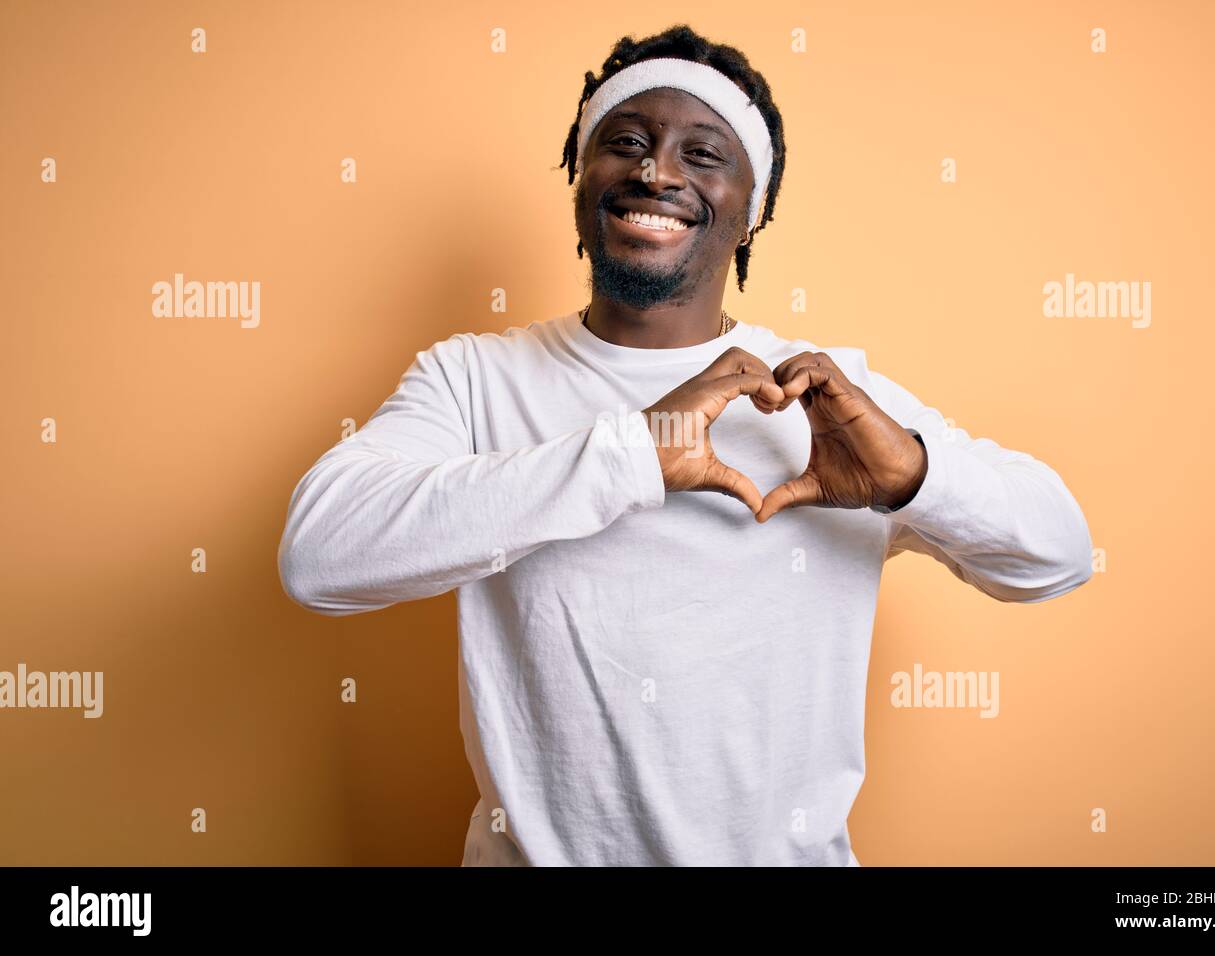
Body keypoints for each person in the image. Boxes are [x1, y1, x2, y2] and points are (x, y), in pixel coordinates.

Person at [276, 24, 1093, 866]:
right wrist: (635, 450)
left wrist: (913, 477)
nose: (655, 171)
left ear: (755, 208)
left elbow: (1060, 554)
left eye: (703, 154)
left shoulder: (824, 399)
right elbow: (320, 557)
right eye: (625, 143)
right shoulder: (475, 378)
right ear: (580, 177)